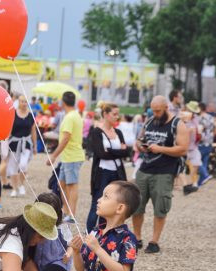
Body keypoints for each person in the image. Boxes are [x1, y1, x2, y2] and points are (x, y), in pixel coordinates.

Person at [132, 95, 189, 254]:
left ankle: (154, 241)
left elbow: (183, 148)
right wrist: (140, 146)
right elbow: (139, 139)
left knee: (160, 208)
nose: (155, 113)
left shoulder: (178, 124)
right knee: (136, 205)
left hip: (164, 172)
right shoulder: (150, 121)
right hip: (144, 169)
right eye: (153, 110)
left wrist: (161, 149)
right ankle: (137, 238)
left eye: (158, 111)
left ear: (166, 108)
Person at [87, 104, 129, 232]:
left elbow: (126, 152)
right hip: (102, 173)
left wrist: (110, 150)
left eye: (118, 114)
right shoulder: (96, 132)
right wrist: (118, 151)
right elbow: (101, 154)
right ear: (105, 114)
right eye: (114, 114)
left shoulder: (118, 132)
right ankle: (90, 235)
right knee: (97, 204)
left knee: (113, 205)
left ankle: (105, 234)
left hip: (117, 173)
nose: (117, 117)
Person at [49, 91, 85, 223]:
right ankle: (66, 210)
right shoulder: (74, 115)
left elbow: (65, 139)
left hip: (72, 156)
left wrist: (53, 156)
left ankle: (71, 214)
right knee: (61, 184)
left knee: (71, 185)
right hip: (68, 156)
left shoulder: (70, 117)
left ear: (63, 102)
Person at [7, 95, 37, 197]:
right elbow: (9, 129)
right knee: (13, 167)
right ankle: (14, 188)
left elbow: (33, 131)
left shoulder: (30, 115)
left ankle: (21, 185)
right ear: (18, 102)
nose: (24, 104)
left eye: (25, 102)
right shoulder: (13, 114)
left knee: (23, 165)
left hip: (26, 143)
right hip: (14, 143)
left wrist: (35, 146)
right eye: (22, 102)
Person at [183, 101, 202, 193]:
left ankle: (192, 182)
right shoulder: (182, 118)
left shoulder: (196, 119)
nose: (193, 113)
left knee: (196, 163)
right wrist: (188, 131)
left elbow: (198, 129)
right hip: (184, 146)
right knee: (181, 166)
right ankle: (185, 183)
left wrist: (199, 133)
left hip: (194, 145)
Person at [197, 102, 215, 186]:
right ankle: (200, 182)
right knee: (204, 161)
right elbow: (213, 128)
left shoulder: (199, 118)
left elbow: (199, 130)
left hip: (202, 142)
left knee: (197, 161)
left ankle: (205, 175)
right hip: (210, 141)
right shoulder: (211, 117)